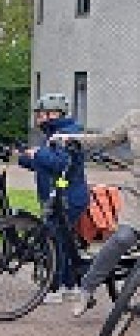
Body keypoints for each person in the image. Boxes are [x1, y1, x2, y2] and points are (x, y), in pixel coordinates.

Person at [49, 109, 140, 317]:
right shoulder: (135, 119)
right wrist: (71, 138)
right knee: (122, 238)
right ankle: (87, 290)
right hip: (138, 194)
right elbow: (104, 139)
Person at [17, 93, 87, 304]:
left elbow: (59, 163)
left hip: (68, 197)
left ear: (54, 113)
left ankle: (56, 287)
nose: (38, 119)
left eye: (41, 114)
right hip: (55, 196)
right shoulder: (53, 134)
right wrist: (24, 157)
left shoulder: (67, 134)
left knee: (55, 240)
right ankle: (70, 285)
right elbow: (46, 165)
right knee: (62, 241)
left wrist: (37, 154)